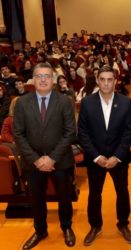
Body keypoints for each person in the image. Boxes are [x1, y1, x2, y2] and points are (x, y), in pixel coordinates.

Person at [13, 62, 76, 249]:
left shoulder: (65, 101)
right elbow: (18, 134)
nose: (42, 80)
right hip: (33, 163)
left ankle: (66, 227)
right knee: (37, 199)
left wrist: (52, 158)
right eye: (39, 76)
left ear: (53, 80)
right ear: (33, 80)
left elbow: (69, 132)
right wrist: (36, 159)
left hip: (60, 160)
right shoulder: (22, 103)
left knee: (65, 197)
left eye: (46, 76)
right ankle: (40, 230)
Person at [78, 65, 131, 246]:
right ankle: (95, 226)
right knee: (94, 194)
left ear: (115, 81)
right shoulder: (87, 102)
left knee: (122, 192)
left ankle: (123, 224)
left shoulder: (125, 102)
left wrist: (116, 156)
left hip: (119, 158)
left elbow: (128, 132)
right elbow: (83, 133)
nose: (106, 83)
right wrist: (96, 157)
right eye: (103, 79)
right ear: (97, 80)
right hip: (96, 159)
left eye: (110, 79)